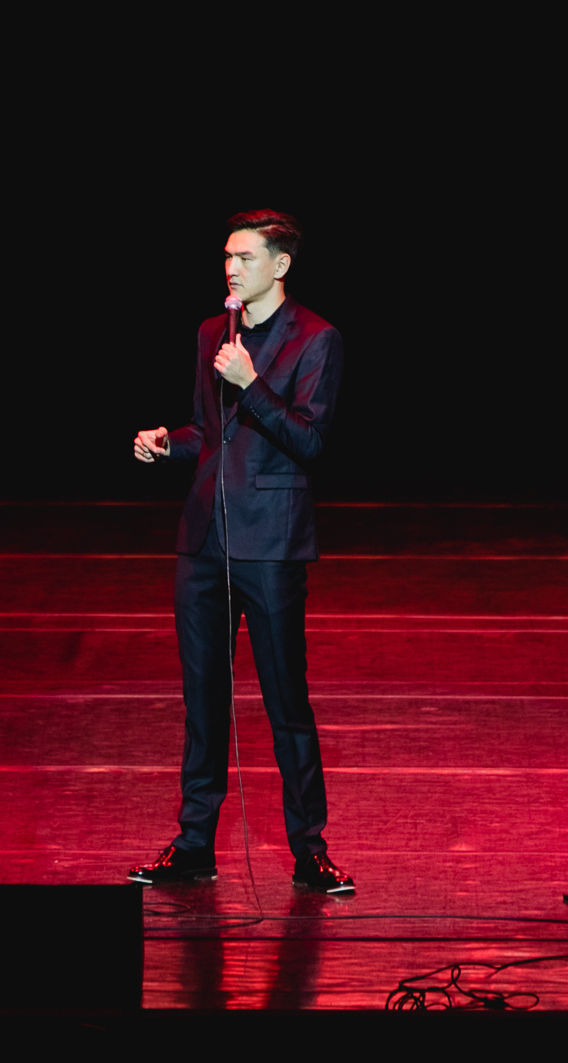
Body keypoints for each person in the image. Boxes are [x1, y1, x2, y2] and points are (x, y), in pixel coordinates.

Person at [129, 210, 353, 894]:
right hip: (205, 541)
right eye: (227, 256)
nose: (231, 268)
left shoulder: (316, 339)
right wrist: (171, 440)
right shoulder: (211, 333)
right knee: (204, 700)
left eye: (246, 258)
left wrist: (251, 382)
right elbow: (211, 431)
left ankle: (309, 851)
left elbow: (310, 442)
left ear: (280, 266)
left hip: (272, 543)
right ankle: (195, 844)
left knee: (287, 701)